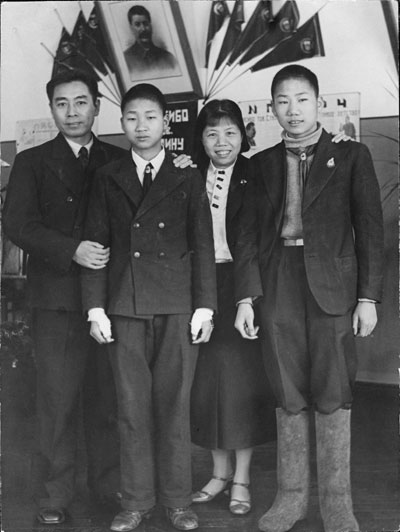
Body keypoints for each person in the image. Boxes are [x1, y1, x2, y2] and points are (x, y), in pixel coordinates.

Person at [234, 64, 383, 532]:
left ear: (318, 103)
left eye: (301, 100)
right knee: (288, 388)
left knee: (334, 388)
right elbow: (247, 236)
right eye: (282, 101)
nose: (293, 110)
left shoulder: (352, 155)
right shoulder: (259, 164)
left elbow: (370, 230)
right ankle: (291, 498)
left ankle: (337, 503)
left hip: (333, 284)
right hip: (278, 279)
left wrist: (368, 298)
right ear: (272, 107)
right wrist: (246, 298)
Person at [81, 83, 217, 532]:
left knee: (175, 406)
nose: (141, 126)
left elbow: (202, 243)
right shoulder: (108, 176)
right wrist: (95, 308)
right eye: (132, 117)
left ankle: (177, 501)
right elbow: (97, 245)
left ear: (165, 123)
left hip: (178, 305)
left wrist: (205, 307)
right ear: (121, 122)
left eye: (150, 117)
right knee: (131, 407)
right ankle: (136, 501)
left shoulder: (186, 173)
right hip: (125, 305)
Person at [2, 70, 126, 525]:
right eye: (61, 103)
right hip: (55, 299)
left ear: (97, 105)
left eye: (80, 102)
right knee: (56, 400)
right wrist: (70, 249)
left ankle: (107, 489)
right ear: (51, 108)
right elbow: (17, 224)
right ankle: (54, 494)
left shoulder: (119, 159)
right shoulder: (32, 162)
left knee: (106, 398)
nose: (72, 113)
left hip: (110, 301)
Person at [189, 100, 276, 516]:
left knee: (241, 386)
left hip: (244, 288)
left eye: (230, 132)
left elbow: (251, 240)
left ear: (243, 135)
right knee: (205, 385)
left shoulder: (256, 173)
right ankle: (218, 474)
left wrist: (246, 300)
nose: (221, 142)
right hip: (198, 289)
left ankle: (241, 478)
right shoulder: (188, 173)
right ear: (201, 139)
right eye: (212, 134)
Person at [123, 5, 178, 77]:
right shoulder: (125, 60)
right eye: (137, 25)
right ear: (131, 28)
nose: (143, 29)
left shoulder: (168, 58)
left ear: (151, 26)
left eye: (145, 23)